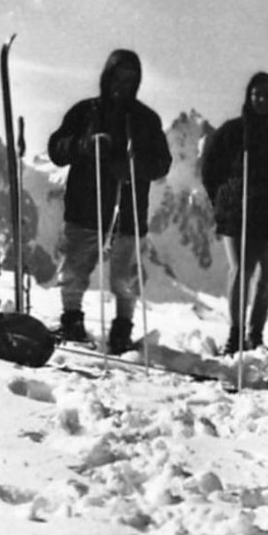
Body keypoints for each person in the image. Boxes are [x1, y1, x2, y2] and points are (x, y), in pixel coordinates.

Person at [46, 49, 172, 354]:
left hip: (127, 210)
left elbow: (161, 164)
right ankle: (72, 320)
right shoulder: (85, 112)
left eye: (130, 78)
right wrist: (83, 145)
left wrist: (132, 167)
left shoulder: (146, 120)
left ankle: (121, 330)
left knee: (126, 276)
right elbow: (56, 149)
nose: (123, 84)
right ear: (107, 76)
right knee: (74, 268)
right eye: (118, 76)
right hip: (85, 207)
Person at [200, 72, 268, 354]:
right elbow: (209, 167)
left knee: (265, 276)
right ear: (249, 97)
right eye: (256, 94)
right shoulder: (232, 132)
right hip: (237, 211)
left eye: (266, 95)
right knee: (241, 270)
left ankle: (255, 336)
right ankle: (236, 335)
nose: (261, 100)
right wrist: (222, 199)